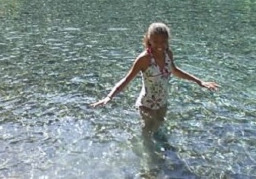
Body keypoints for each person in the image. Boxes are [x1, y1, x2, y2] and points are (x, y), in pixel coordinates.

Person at [91, 22, 219, 135]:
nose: (160, 45)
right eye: (155, 41)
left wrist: (199, 81)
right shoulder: (144, 59)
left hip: (162, 103)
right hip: (146, 104)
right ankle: (147, 159)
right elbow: (126, 79)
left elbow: (174, 71)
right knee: (147, 132)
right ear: (149, 40)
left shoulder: (168, 54)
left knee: (158, 127)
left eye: (163, 41)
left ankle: (159, 157)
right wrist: (109, 97)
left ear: (168, 40)